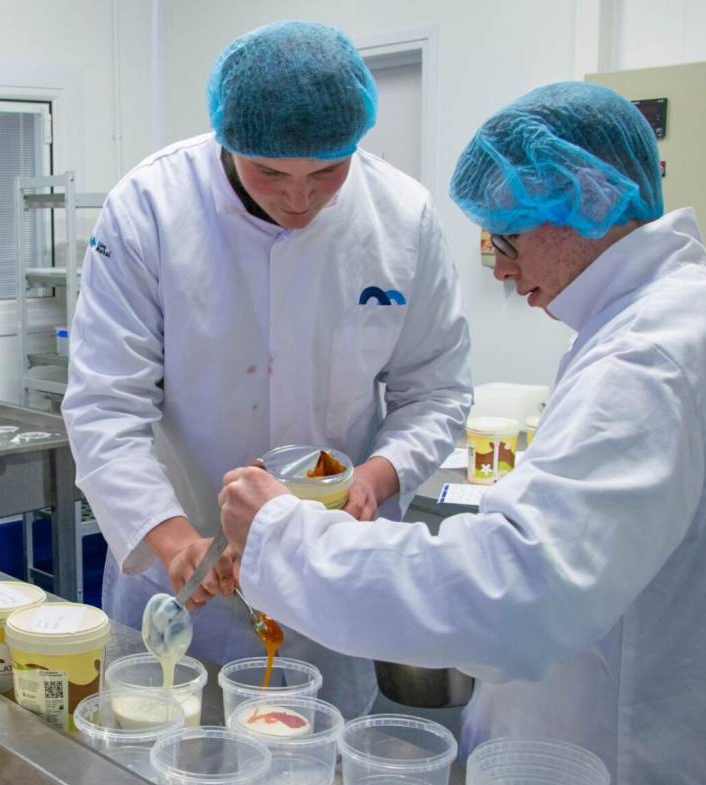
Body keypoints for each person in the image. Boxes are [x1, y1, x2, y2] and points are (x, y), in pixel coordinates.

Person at [219, 82, 706, 784]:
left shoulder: (645, 356)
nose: (499, 266)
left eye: (509, 236)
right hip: (681, 728)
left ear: (588, 203)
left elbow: (509, 592)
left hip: (617, 752)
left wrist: (284, 534)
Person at [62, 20, 472, 718]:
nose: (299, 199)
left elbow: (435, 390)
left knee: (316, 742)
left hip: (330, 566)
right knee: (169, 739)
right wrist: (175, 543)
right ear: (229, 140)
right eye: (270, 173)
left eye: (327, 173)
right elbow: (105, 407)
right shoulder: (152, 208)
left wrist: (378, 475)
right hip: (185, 568)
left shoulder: (402, 216)